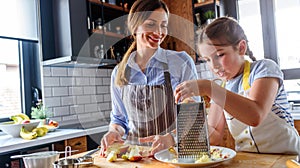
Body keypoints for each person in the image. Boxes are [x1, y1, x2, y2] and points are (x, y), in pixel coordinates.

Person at [175, 17, 300, 154]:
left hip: (286, 159)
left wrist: (209, 88)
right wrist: (194, 118)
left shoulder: (264, 69)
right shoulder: (221, 88)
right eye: (207, 60)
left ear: (241, 48)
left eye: (219, 55)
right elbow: (214, 135)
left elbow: (255, 115)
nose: (214, 66)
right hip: (250, 162)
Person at [99, 0, 199, 156]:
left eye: (164, 25)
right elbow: (119, 120)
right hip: (135, 157)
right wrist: (114, 132)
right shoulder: (120, 72)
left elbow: (193, 114)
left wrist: (172, 137)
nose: (159, 32)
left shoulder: (181, 62)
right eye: (151, 24)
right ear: (134, 26)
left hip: (173, 155)